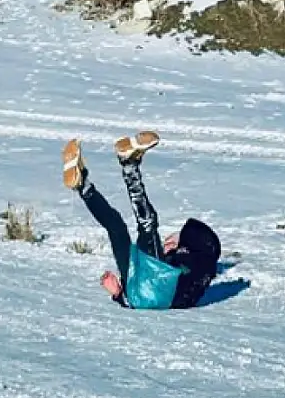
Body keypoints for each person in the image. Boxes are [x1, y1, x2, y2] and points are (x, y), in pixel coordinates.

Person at [62, 131, 221, 309]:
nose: (168, 244)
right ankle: (82, 184)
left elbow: (195, 248)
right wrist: (118, 294)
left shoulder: (203, 262)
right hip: (137, 292)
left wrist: (177, 246)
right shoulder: (192, 274)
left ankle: (129, 165)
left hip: (154, 288)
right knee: (116, 227)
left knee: (147, 223)